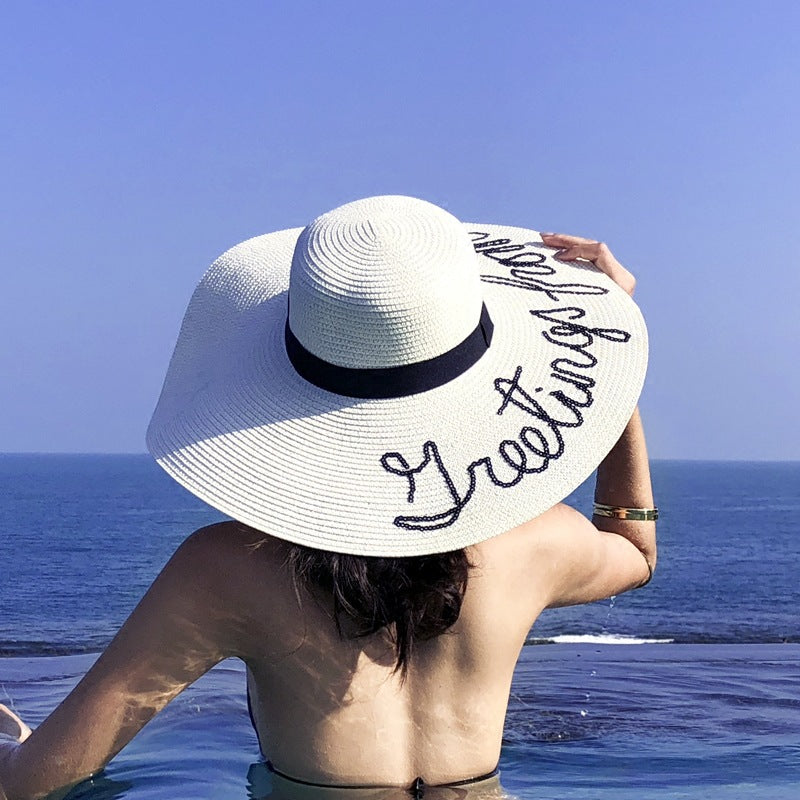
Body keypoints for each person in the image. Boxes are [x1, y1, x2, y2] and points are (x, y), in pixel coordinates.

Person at [0, 196, 656, 800]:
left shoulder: (225, 571)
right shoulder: (532, 544)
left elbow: (33, 784)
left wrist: (14, 750)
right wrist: (612, 376)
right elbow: (633, 547)